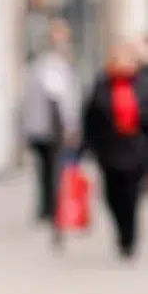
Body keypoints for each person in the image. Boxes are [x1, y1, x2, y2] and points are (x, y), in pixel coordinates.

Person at [83, 42, 147, 258]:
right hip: (109, 150)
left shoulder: (142, 84)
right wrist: (88, 146)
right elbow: (90, 116)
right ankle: (121, 229)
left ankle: (129, 237)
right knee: (112, 196)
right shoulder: (102, 84)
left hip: (136, 149)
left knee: (131, 195)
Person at [22, 19, 80, 223]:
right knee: (49, 169)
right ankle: (50, 207)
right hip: (48, 128)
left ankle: (50, 207)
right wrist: (68, 126)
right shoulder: (50, 64)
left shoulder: (52, 63)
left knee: (49, 170)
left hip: (45, 127)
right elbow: (57, 98)